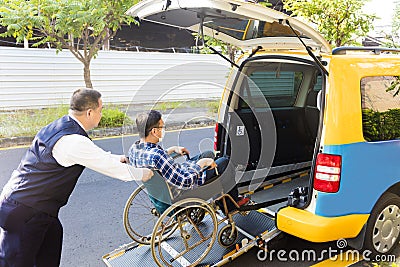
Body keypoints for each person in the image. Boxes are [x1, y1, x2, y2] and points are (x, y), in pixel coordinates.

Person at [0, 88, 153, 267]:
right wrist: (144, 174)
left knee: (51, 245)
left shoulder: (62, 126)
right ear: (89, 112)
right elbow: (110, 167)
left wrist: (120, 158)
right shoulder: (73, 140)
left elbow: (98, 157)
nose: (101, 115)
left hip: (39, 210)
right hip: (24, 212)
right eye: (100, 110)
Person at [128, 110, 249, 214]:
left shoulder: (135, 149)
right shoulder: (157, 156)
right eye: (162, 127)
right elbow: (185, 181)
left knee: (209, 154)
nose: (163, 130)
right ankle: (232, 205)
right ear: (154, 131)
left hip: (166, 188)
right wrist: (201, 164)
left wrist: (172, 150)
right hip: (183, 191)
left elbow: (154, 160)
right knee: (225, 162)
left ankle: (222, 194)